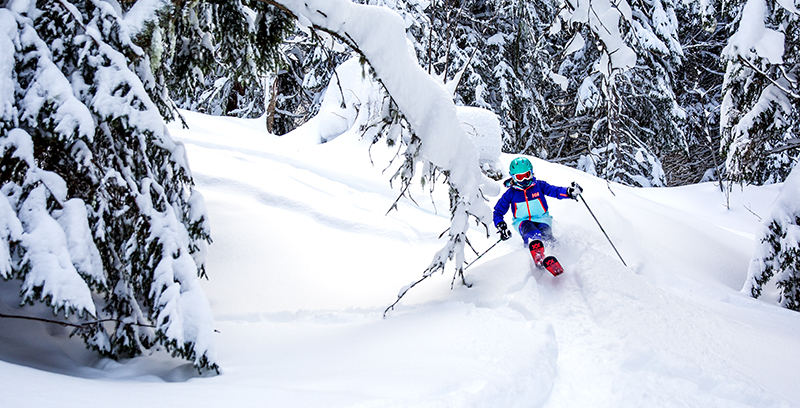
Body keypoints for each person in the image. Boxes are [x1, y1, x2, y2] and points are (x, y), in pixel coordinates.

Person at [493, 157, 582, 264]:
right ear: (513, 177)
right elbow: (498, 212)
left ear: (531, 172)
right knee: (532, 233)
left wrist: (568, 192)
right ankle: (537, 257)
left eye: (526, 175)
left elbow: (555, 191)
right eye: (520, 177)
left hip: (542, 218)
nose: (524, 180)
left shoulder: (539, 186)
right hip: (522, 222)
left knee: (546, 234)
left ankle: (554, 257)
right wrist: (501, 225)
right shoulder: (511, 193)